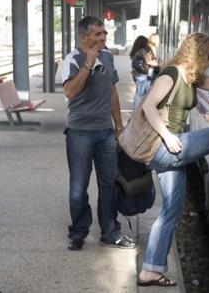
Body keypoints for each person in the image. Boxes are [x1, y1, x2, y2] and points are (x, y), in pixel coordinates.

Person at [137, 33, 209, 287]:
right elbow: (148, 107)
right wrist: (167, 136)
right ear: (197, 55)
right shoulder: (171, 74)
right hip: (165, 147)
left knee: (171, 210)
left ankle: (149, 271)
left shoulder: (191, 77)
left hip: (171, 148)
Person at [61, 16, 134, 251]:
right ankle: (79, 231)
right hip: (80, 133)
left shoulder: (109, 56)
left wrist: (119, 126)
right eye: (98, 34)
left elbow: (112, 92)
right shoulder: (72, 59)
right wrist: (88, 63)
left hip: (105, 133)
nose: (104, 37)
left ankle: (110, 231)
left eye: (104, 33)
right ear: (84, 37)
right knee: (78, 189)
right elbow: (70, 92)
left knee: (109, 183)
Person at [130, 35, 159, 108]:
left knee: (139, 93)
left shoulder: (137, 51)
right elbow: (149, 62)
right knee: (140, 94)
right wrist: (158, 64)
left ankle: (136, 111)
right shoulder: (143, 51)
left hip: (137, 74)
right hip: (142, 75)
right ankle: (136, 112)